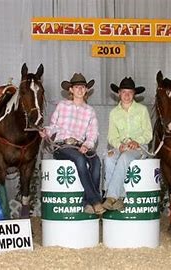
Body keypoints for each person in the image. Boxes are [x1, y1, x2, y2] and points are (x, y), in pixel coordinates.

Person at [39, 73, 105, 215]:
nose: (80, 90)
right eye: (77, 87)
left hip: (81, 145)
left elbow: (93, 134)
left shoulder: (90, 111)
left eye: (82, 87)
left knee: (96, 162)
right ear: (71, 90)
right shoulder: (62, 106)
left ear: (86, 90)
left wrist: (86, 145)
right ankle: (95, 200)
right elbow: (54, 126)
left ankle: (87, 203)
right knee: (80, 160)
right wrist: (46, 131)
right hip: (63, 145)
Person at [103, 77, 153, 211]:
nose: (126, 95)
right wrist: (119, 145)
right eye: (124, 92)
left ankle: (110, 196)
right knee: (109, 158)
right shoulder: (114, 113)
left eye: (130, 92)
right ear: (119, 93)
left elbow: (148, 134)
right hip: (122, 146)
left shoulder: (142, 110)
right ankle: (118, 199)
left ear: (134, 94)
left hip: (139, 147)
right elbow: (111, 136)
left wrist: (137, 142)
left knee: (125, 158)